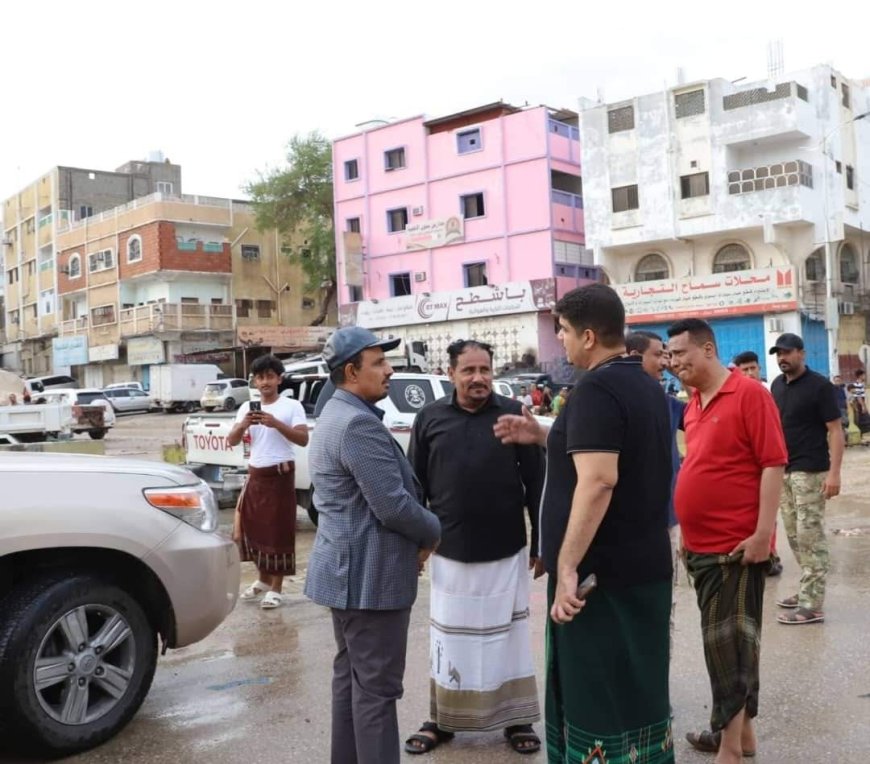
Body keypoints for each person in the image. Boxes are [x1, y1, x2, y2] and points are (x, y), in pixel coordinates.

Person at [494, 284, 675, 763]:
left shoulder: (596, 387)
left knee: (598, 699)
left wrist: (567, 565)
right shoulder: (645, 382)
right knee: (638, 695)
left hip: (601, 582)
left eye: (566, 332)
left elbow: (598, 481)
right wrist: (544, 433)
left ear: (590, 335)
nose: (563, 343)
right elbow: (612, 448)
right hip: (643, 568)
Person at [304, 327, 441, 764]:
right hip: (368, 580)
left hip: (347, 576)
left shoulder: (333, 415)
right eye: (379, 363)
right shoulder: (357, 424)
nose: (390, 369)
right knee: (376, 692)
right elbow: (394, 507)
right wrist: (434, 531)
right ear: (350, 371)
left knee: (352, 682)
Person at [404, 339, 544, 756]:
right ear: (451, 374)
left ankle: (516, 719)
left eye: (485, 369)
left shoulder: (514, 415)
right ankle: (443, 720)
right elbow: (415, 486)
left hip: (506, 549)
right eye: (469, 370)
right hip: (449, 551)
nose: (479, 378)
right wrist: (417, 543)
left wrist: (543, 541)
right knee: (450, 640)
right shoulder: (429, 418)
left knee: (509, 635)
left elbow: (537, 482)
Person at [667, 319, 787, 763]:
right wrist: (686, 531)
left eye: (682, 353)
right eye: (670, 356)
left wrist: (762, 534)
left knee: (728, 649)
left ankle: (730, 749)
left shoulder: (751, 395)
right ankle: (745, 736)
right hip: (701, 546)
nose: (675, 363)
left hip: (735, 547)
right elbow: (701, 466)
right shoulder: (694, 403)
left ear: (709, 349)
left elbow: (773, 464)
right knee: (732, 644)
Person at [769, 333, 845, 625]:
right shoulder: (777, 385)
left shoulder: (819, 387)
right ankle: (806, 591)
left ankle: (812, 605)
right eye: (778, 354)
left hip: (811, 470)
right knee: (794, 535)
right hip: (784, 470)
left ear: (801, 353)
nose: (782, 358)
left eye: (787, 353)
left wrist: (835, 473)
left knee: (810, 536)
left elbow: (835, 430)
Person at [228, 354, 309, 609]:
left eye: (270, 377)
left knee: (277, 532)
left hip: (280, 475)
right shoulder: (246, 408)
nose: (265, 382)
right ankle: (262, 580)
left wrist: (275, 424)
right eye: (260, 377)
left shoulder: (291, 406)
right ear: (254, 381)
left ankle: (276, 588)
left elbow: (302, 439)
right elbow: (231, 440)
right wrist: (243, 425)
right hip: (256, 475)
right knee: (251, 530)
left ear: (279, 379)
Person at [625, 331, 685, 642]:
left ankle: (660, 668)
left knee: (664, 601)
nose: (665, 361)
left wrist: (681, 370)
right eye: (659, 354)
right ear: (634, 357)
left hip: (665, 521)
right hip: (627, 525)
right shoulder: (613, 400)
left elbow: (704, 412)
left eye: (668, 355)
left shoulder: (670, 406)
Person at [733, 348, 785, 577]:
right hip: (745, 464)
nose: (750, 372)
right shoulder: (735, 394)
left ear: (759, 368)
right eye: (745, 369)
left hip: (766, 460)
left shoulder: (766, 391)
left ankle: (770, 553)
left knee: (769, 511)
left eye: (753, 368)